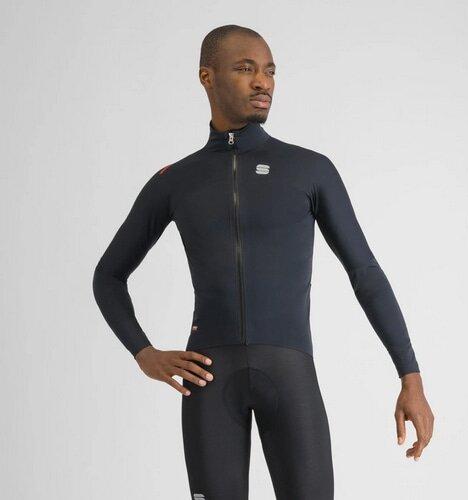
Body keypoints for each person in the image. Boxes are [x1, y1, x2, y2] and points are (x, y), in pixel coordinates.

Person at [92, 24, 434, 500]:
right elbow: (108, 276)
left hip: (290, 379)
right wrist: (143, 353)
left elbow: (365, 274)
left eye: (270, 71)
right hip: (209, 382)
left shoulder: (310, 169)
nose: (263, 82)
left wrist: (410, 376)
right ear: (207, 77)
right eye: (245, 68)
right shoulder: (175, 181)